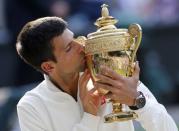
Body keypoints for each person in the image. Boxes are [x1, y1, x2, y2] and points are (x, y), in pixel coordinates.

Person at [16, 17, 178, 131]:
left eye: (75, 38)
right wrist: (89, 117)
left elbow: (169, 128)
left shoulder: (112, 75)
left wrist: (137, 101)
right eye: (69, 48)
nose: (82, 46)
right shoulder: (31, 106)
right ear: (48, 67)